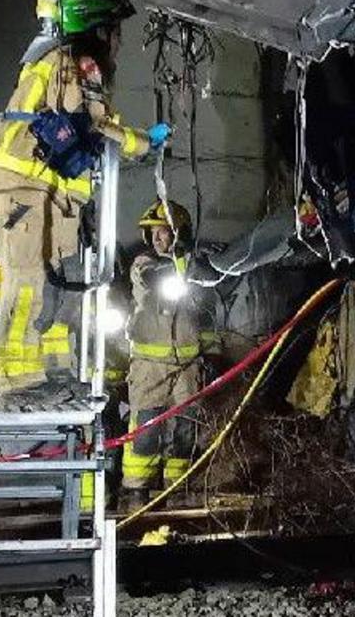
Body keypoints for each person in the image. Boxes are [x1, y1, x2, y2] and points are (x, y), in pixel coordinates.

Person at [0, 0, 169, 398]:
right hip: (25, 188)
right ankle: (13, 380)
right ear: (92, 26)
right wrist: (142, 143)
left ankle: (53, 371)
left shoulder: (55, 60)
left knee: (59, 281)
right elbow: (96, 124)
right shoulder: (74, 61)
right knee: (27, 281)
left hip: (50, 193)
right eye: (112, 31)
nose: (117, 42)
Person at [120, 200, 215, 509]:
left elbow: (207, 315)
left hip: (188, 366)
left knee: (185, 429)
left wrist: (209, 355)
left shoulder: (197, 269)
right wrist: (183, 262)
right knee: (146, 429)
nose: (160, 239)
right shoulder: (143, 264)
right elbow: (155, 279)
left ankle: (178, 487)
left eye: (166, 233)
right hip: (150, 367)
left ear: (181, 234)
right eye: (155, 234)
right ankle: (137, 490)